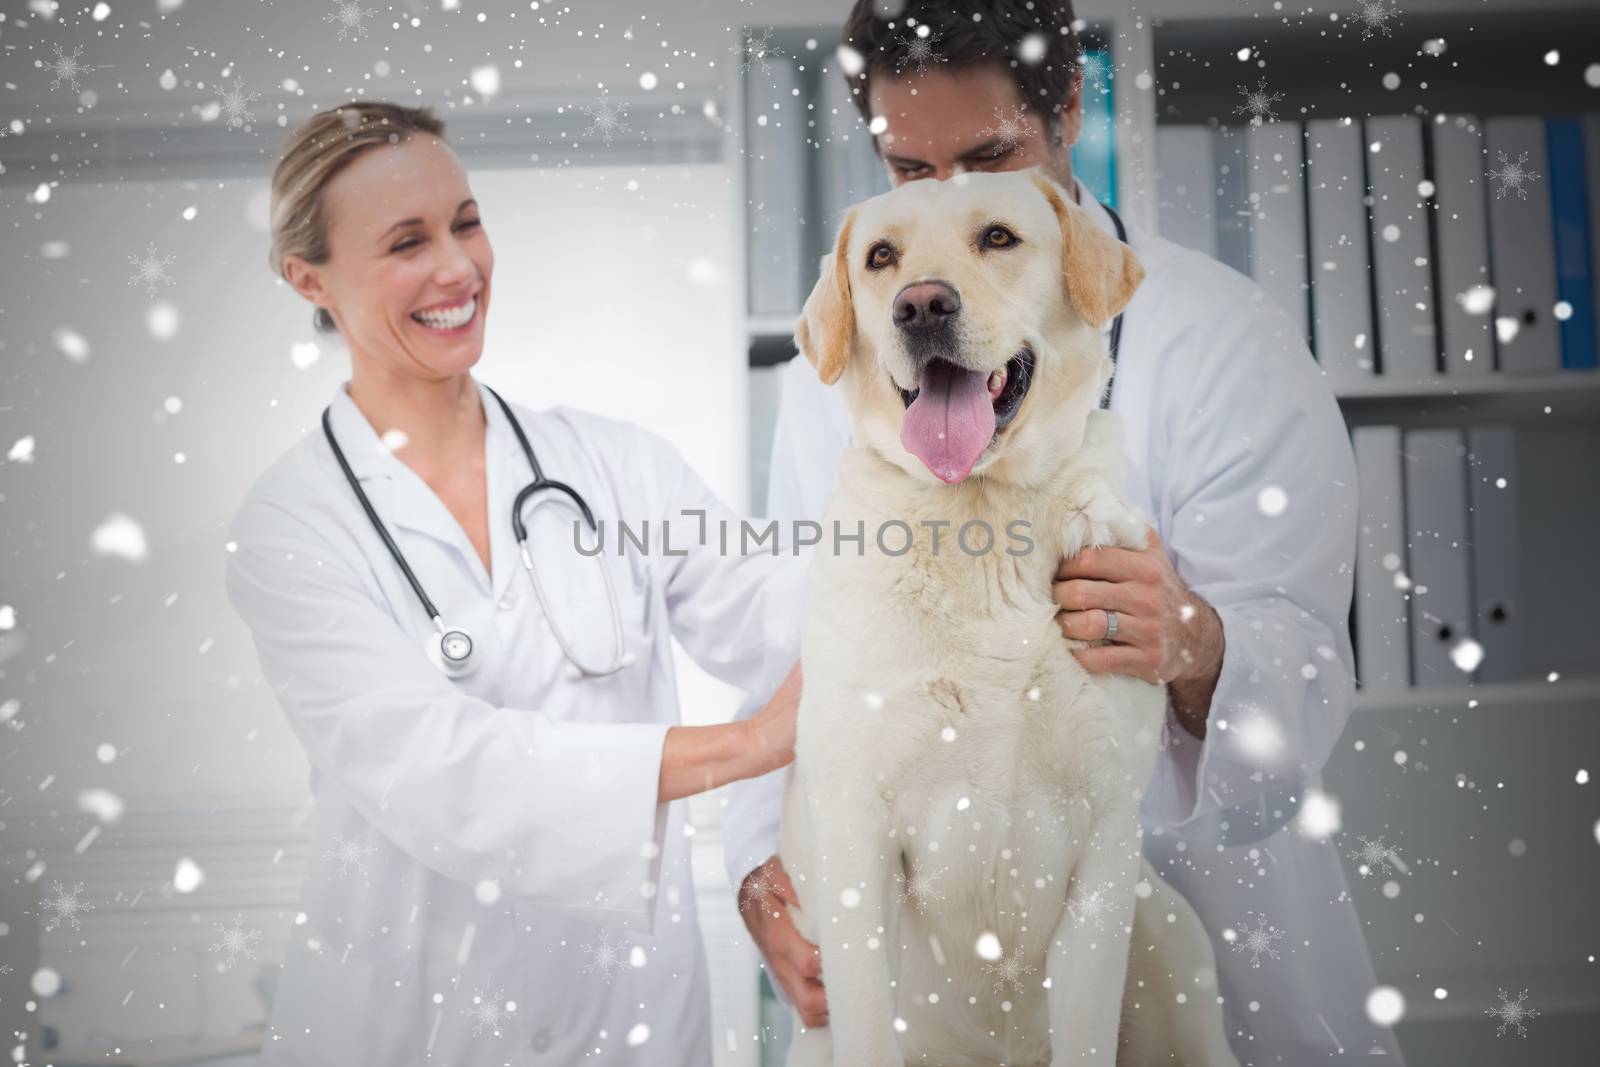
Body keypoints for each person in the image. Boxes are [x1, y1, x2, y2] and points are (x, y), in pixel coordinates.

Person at [724, 3, 1406, 1062]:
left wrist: (1193, 641)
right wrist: (760, 875)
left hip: (1204, 944)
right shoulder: (849, 367)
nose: (947, 214)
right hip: (934, 993)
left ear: (1070, 105)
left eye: (990, 159)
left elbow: (1305, 682)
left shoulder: (1228, 342)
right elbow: (791, 658)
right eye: (910, 170)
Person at [224, 100, 803, 1065]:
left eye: (466, 221)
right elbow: (448, 774)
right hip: (411, 1030)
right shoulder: (290, 525)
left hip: (629, 1024)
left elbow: (777, 612)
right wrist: (746, 744)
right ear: (309, 279)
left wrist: (975, 555)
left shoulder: (616, 467)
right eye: (407, 241)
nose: (457, 268)